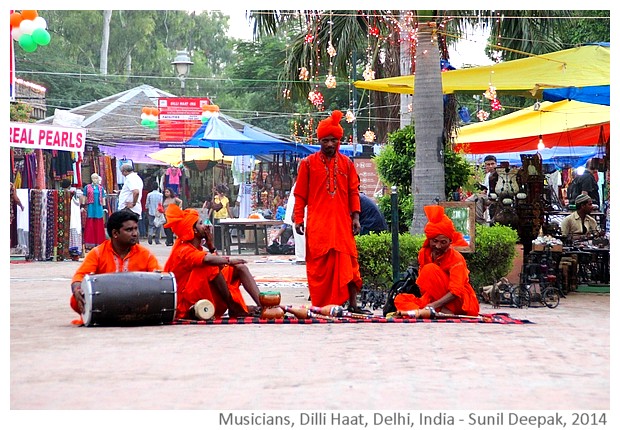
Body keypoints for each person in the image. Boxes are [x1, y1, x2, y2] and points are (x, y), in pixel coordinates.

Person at [293, 109, 367, 313]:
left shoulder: (347, 164)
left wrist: (356, 217)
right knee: (319, 266)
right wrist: (298, 218)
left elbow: (354, 192)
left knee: (349, 263)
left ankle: (352, 305)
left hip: (342, 223)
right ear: (319, 141)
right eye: (325, 140)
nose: (329, 144)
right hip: (318, 224)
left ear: (339, 141)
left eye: (333, 140)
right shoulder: (307, 164)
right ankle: (322, 306)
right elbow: (300, 195)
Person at [163, 204, 262, 319]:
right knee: (209, 266)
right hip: (187, 303)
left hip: (203, 293)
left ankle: (264, 306)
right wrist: (229, 260)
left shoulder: (197, 249)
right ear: (193, 230)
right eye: (200, 223)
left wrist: (211, 246)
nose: (205, 226)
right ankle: (233, 306)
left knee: (240, 268)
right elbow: (208, 260)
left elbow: (218, 265)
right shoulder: (183, 249)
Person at [69, 210, 161, 318]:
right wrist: (77, 290)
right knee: (75, 300)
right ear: (115, 233)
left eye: (136, 229)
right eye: (129, 230)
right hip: (107, 300)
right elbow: (80, 276)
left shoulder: (145, 254)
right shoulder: (98, 253)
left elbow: (160, 277)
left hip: (137, 301)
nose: (135, 233)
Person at [394, 205, 480, 316]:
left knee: (430, 269)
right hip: (433, 299)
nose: (438, 246)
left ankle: (439, 310)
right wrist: (429, 302)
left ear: (450, 241)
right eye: (434, 241)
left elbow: (456, 292)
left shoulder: (456, 258)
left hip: (458, 302)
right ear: (429, 239)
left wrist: (434, 305)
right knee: (400, 300)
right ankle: (436, 311)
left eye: (443, 242)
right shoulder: (424, 254)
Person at [82, 173, 107, 251]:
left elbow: (103, 198)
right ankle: (89, 243)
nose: (95, 180)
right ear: (91, 179)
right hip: (91, 207)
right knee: (90, 224)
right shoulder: (87, 187)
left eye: (96, 178)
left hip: (98, 207)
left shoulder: (101, 188)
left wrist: (104, 207)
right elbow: (85, 197)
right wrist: (83, 205)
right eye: (93, 178)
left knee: (99, 224)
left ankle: (99, 242)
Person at [209, 183, 234, 250]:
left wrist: (232, 218)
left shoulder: (226, 199)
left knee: (225, 232)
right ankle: (218, 246)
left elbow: (228, 209)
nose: (222, 194)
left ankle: (226, 246)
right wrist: (208, 217)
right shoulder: (215, 198)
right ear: (218, 192)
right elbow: (212, 208)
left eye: (223, 193)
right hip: (216, 217)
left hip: (224, 218)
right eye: (221, 192)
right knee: (217, 232)